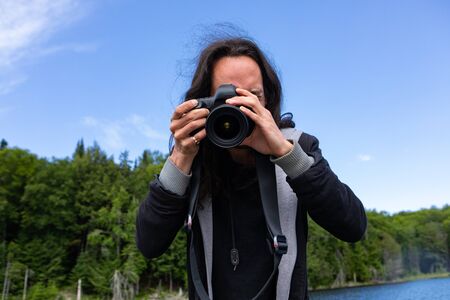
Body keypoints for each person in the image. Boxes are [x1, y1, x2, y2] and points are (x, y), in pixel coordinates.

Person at [136, 37, 367, 300]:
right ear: (205, 104)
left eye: (252, 97)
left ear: (267, 99)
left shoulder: (297, 145)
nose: (241, 108)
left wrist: (284, 153)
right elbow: (149, 244)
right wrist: (181, 155)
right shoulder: (193, 156)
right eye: (228, 97)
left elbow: (353, 226)